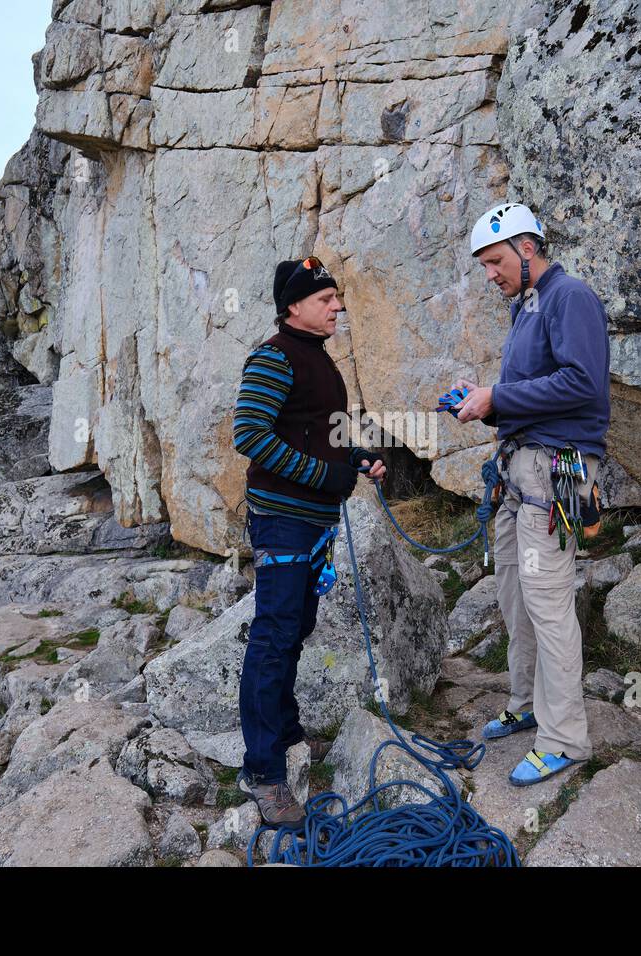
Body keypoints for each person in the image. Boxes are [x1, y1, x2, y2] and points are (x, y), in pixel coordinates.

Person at [452, 202, 611, 786]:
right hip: (522, 471)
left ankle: (565, 738)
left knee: (546, 601)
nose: (489, 274)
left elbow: (583, 381)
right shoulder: (528, 308)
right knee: (514, 595)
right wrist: (488, 396)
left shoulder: (570, 297)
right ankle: (526, 704)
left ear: (526, 248)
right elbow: (533, 389)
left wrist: (498, 398)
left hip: (556, 470)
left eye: (494, 261)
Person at [230, 255, 386, 825]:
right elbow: (249, 433)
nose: (337, 306)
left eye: (337, 298)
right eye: (326, 299)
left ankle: (287, 733)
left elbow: (319, 435)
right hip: (283, 522)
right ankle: (264, 772)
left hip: (310, 523)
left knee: (295, 627)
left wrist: (356, 456)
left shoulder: (318, 360)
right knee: (273, 636)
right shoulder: (274, 357)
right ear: (294, 306)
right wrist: (325, 477)